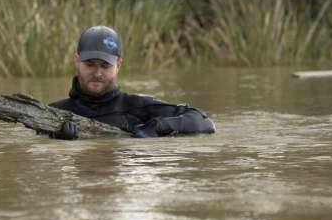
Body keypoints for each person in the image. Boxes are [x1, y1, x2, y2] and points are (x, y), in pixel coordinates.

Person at [49, 25, 216, 140]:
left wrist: (158, 126)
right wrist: (57, 140)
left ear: (118, 65)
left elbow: (204, 122)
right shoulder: (54, 112)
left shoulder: (137, 107)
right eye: (90, 64)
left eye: (105, 65)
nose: (97, 73)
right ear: (77, 60)